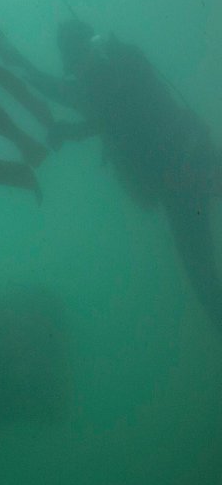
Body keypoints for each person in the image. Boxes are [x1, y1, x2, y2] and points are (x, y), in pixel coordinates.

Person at [48, 19, 222, 333]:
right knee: (203, 277)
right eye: (72, 67)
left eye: (75, 63)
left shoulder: (115, 76)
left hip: (184, 174)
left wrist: (72, 129)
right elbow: (110, 121)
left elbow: (118, 118)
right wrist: (72, 131)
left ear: (87, 51)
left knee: (203, 278)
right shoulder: (115, 73)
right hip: (189, 170)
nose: (75, 71)